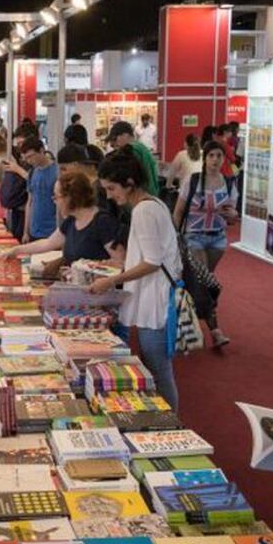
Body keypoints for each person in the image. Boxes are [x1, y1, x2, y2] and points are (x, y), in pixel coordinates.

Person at [90, 148, 183, 409]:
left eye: (112, 188)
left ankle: (171, 426)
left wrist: (111, 281)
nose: (109, 195)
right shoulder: (154, 204)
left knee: (159, 373)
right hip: (157, 298)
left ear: (129, 183)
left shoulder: (143, 211)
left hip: (154, 304)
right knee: (157, 370)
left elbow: (152, 262)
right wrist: (121, 266)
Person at [173, 140, 239, 348]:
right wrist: (175, 236)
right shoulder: (193, 181)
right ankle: (215, 330)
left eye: (219, 156)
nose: (215, 160)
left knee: (201, 282)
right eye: (211, 155)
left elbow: (233, 214)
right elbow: (179, 210)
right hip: (193, 236)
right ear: (205, 157)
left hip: (218, 238)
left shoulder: (229, 183)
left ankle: (184, 320)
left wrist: (233, 215)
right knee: (204, 280)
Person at [4, 168, 119, 266]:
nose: (55, 201)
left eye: (56, 197)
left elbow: (119, 261)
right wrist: (16, 250)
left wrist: (90, 269)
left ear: (70, 197)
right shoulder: (71, 221)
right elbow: (48, 243)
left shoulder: (103, 222)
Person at [19, 136, 60, 243]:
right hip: (34, 230)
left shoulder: (57, 172)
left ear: (41, 150)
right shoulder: (33, 172)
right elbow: (30, 202)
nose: (29, 161)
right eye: (26, 158)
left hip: (52, 231)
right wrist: (25, 232)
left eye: (31, 156)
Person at [106, 121, 160, 196]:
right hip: (149, 194)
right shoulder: (140, 147)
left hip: (141, 196)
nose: (114, 144)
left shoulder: (133, 149)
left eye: (115, 139)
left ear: (125, 134)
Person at [0, 129, 32, 242]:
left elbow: (33, 180)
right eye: (18, 144)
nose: (20, 147)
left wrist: (17, 170)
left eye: (22, 143)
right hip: (17, 206)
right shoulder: (19, 157)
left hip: (26, 208)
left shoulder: (35, 162)